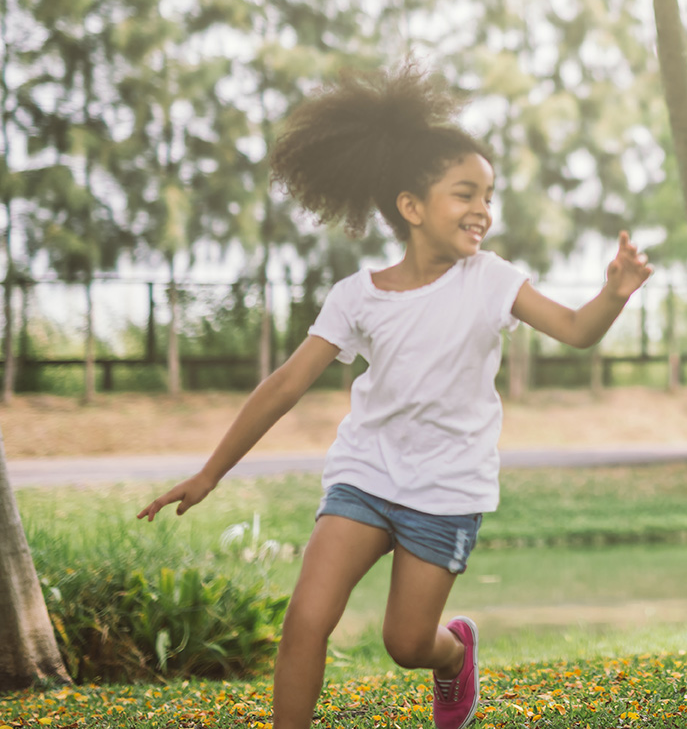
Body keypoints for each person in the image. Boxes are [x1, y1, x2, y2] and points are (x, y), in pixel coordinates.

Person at [137, 63, 653, 729]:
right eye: (464, 193)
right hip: (365, 473)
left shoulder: (491, 279)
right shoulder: (358, 295)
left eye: (488, 195)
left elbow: (577, 332)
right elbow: (286, 384)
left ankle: (451, 655)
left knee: (405, 642)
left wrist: (613, 293)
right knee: (305, 620)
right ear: (411, 206)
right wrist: (210, 471)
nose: (482, 210)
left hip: (448, 485)